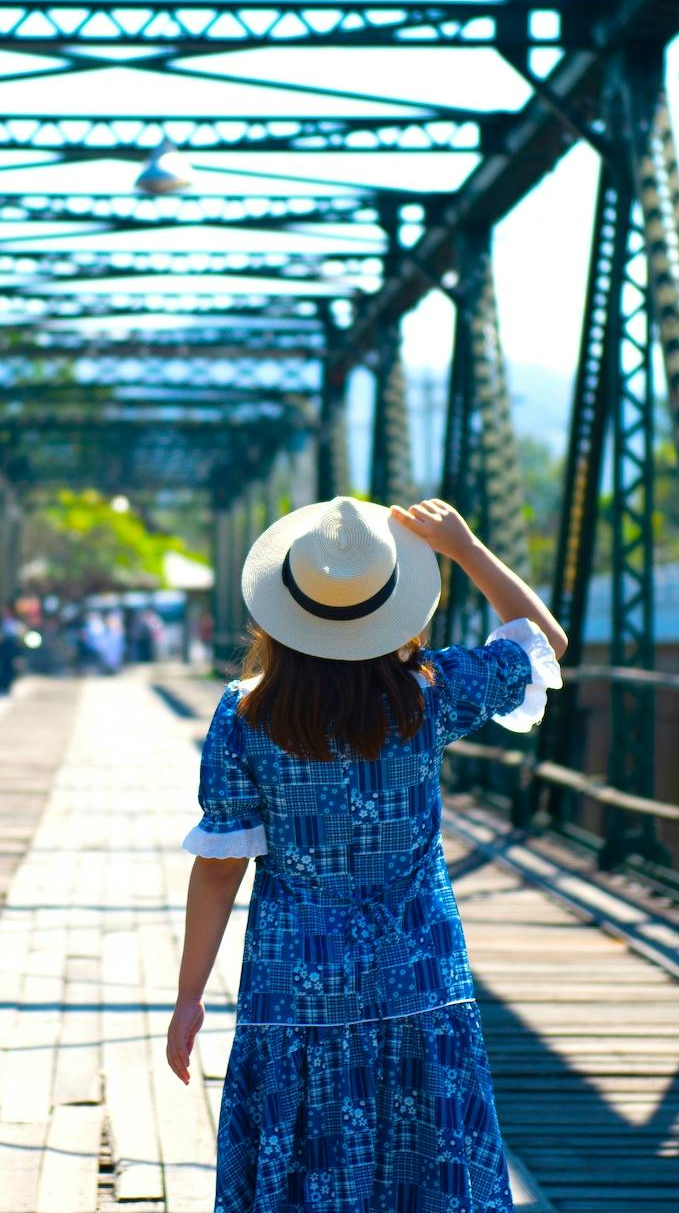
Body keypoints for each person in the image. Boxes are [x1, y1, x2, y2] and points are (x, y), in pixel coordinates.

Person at [166, 496, 566, 1213]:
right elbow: (545, 639)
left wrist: (190, 995)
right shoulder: (429, 695)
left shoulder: (246, 712)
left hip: (294, 991)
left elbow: (221, 864)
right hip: (418, 979)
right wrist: (466, 547)